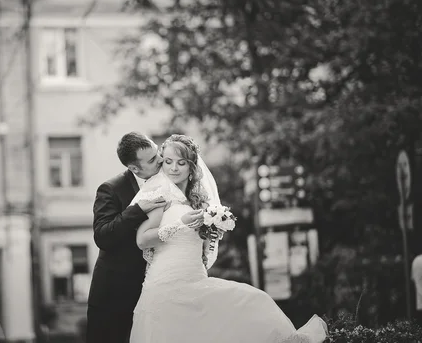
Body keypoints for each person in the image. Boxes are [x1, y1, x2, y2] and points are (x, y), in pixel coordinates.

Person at [129, 134, 328, 343]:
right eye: (168, 162)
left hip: (196, 282)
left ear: (191, 167)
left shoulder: (198, 203)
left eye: (181, 163)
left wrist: (209, 236)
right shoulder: (159, 196)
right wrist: (181, 224)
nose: (174, 168)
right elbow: (142, 240)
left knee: (255, 302)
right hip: (166, 287)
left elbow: (199, 248)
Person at [86, 132, 205, 343]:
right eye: (152, 160)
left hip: (161, 283)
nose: (160, 160)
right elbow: (103, 236)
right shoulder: (111, 189)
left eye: (157, 152)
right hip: (115, 293)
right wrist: (138, 209)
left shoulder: (173, 182)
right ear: (134, 168)